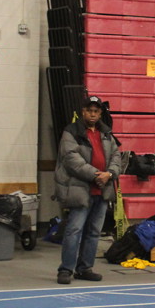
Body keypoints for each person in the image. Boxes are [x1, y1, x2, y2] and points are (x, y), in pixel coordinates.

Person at [55, 95, 122, 284]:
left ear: (100, 113)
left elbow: (117, 156)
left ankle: (85, 268)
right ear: (83, 112)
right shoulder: (71, 132)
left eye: (96, 111)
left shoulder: (106, 133)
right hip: (80, 190)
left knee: (94, 232)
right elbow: (71, 159)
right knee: (74, 230)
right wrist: (96, 175)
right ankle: (66, 269)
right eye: (89, 110)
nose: (92, 114)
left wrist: (109, 174)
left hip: (102, 191)